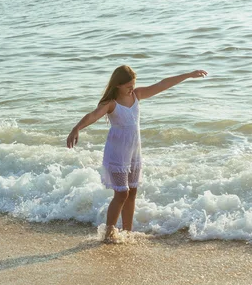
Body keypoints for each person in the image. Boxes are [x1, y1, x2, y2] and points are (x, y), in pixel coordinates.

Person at [66, 65, 207, 243]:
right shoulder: (111, 103)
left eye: (133, 84)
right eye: (128, 86)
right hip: (117, 154)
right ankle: (109, 232)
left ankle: (127, 231)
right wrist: (76, 128)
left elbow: (162, 84)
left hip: (133, 153)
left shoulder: (136, 95)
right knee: (122, 193)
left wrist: (188, 75)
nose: (131, 88)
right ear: (117, 85)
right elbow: (93, 115)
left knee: (132, 192)